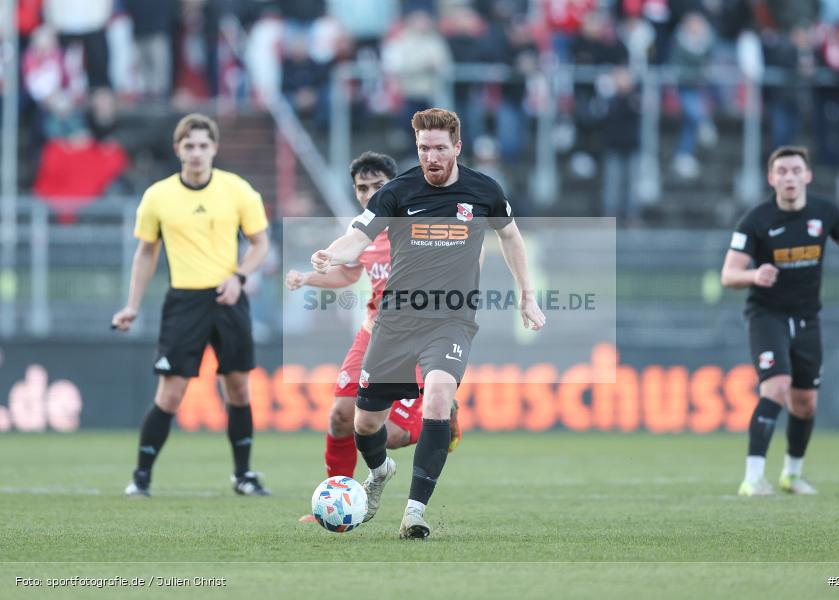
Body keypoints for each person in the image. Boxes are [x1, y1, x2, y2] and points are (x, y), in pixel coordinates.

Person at [310, 108, 546, 538]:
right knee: (366, 425)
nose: (431, 157)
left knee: (437, 397)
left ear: (457, 147)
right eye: (423, 149)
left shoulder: (484, 190)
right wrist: (332, 254)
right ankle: (379, 472)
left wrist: (526, 296)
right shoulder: (397, 192)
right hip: (396, 321)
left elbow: (510, 235)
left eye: (439, 148)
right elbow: (358, 237)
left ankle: (414, 513)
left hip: (451, 320)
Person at [284, 152, 462, 522]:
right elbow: (349, 273)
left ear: (394, 186)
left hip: (416, 338)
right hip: (372, 333)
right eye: (362, 188)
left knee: (391, 435)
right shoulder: (360, 230)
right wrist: (308, 278)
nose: (369, 194)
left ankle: (443, 416)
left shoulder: (418, 223)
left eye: (377, 186)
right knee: (340, 417)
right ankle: (337, 500)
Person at [721, 145, 839, 496]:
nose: (789, 177)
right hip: (767, 315)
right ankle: (752, 478)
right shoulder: (755, 220)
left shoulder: (824, 212)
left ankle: (792, 474)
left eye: (795, 170)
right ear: (771, 178)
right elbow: (729, 274)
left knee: (805, 403)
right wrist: (754, 275)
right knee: (776, 385)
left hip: (806, 318)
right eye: (782, 171)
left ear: (807, 176)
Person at [112, 113, 271, 497]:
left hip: (228, 297)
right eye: (189, 146)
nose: (196, 152)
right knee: (170, 393)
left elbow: (260, 244)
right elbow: (146, 253)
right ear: (178, 149)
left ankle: (243, 476)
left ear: (214, 148)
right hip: (184, 301)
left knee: (238, 388)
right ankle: (141, 478)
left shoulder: (237, 190)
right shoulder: (158, 196)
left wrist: (239, 277)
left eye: (203, 145)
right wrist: (132, 305)